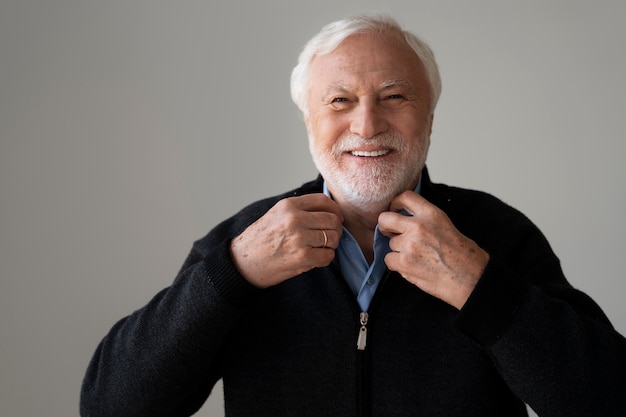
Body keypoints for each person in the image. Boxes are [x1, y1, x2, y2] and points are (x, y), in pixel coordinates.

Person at [80, 13, 626, 417]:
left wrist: (479, 287)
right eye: (340, 101)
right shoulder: (245, 241)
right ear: (308, 121)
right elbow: (109, 407)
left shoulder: (498, 235)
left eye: (394, 97)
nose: (366, 126)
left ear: (429, 118)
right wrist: (233, 274)